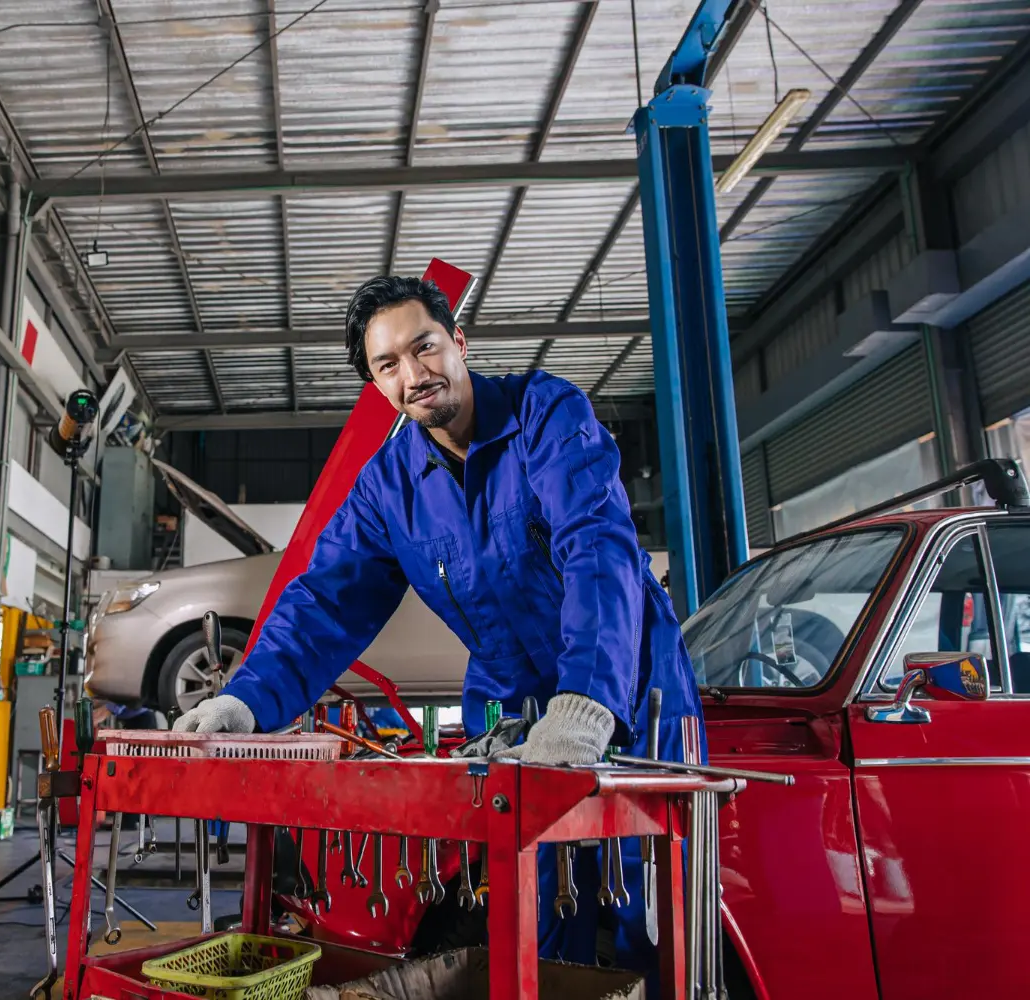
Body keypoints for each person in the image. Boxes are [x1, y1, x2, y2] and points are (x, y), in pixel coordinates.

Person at [173, 275, 704, 975]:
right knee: (535, 901)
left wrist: (588, 701)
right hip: (512, 700)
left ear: (458, 340)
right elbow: (326, 601)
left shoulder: (547, 415)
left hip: (632, 686)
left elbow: (596, 553)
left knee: (651, 906)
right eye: (387, 366)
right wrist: (245, 700)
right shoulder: (388, 487)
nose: (413, 375)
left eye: (423, 348)